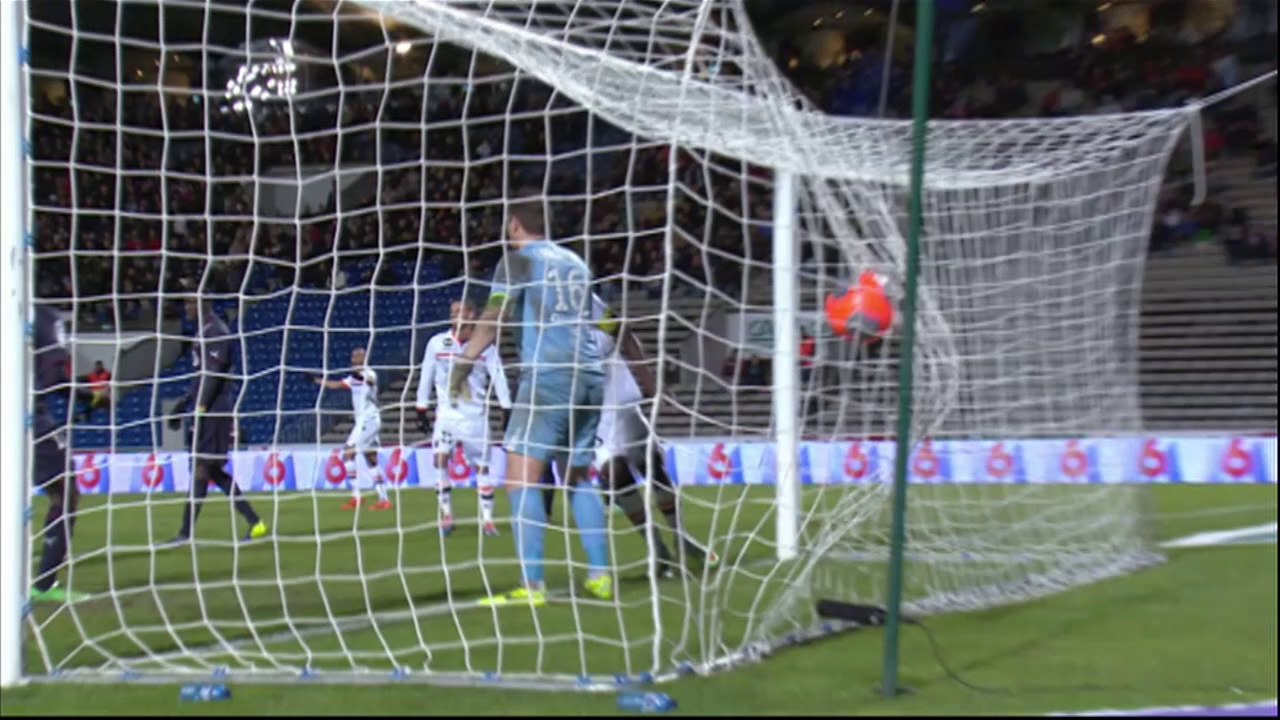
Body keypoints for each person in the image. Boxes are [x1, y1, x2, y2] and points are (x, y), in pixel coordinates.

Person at [449, 195, 611, 607]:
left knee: (520, 479)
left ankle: (533, 587)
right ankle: (600, 576)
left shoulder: (517, 261)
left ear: (516, 225)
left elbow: (492, 320)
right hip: (589, 375)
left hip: (547, 377)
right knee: (576, 476)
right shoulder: (576, 263)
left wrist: (464, 364)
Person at [165, 300, 266, 545]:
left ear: (201, 305)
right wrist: (184, 404)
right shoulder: (203, 332)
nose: (185, 308)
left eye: (189, 304)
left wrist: (199, 407)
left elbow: (214, 374)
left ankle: (186, 533)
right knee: (206, 469)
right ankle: (254, 523)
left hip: (215, 411)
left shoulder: (217, 331)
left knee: (205, 467)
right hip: (206, 408)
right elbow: (202, 376)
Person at [416, 299, 512, 537]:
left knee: (482, 469)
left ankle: (488, 520)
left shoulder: (486, 348)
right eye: (453, 312)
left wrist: (506, 407)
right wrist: (420, 407)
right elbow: (426, 374)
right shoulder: (437, 343)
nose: (456, 316)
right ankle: (447, 516)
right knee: (440, 459)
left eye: (461, 311)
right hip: (447, 415)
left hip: (475, 417)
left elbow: (498, 377)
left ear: (472, 313)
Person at [30, 304, 90, 603]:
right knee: (66, 493)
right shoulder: (44, 316)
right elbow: (55, 377)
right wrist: (90, 394)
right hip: (27, 416)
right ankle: (44, 584)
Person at [316, 347, 391, 511]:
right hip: (366, 421)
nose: (356, 358)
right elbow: (336, 384)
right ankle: (384, 499)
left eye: (359, 356)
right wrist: (318, 381)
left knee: (348, 453)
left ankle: (356, 496)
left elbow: (370, 381)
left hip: (368, 420)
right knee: (371, 459)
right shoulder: (352, 378)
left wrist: (360, 376)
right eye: (354, 356)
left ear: (365, 358)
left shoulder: (370, 373)